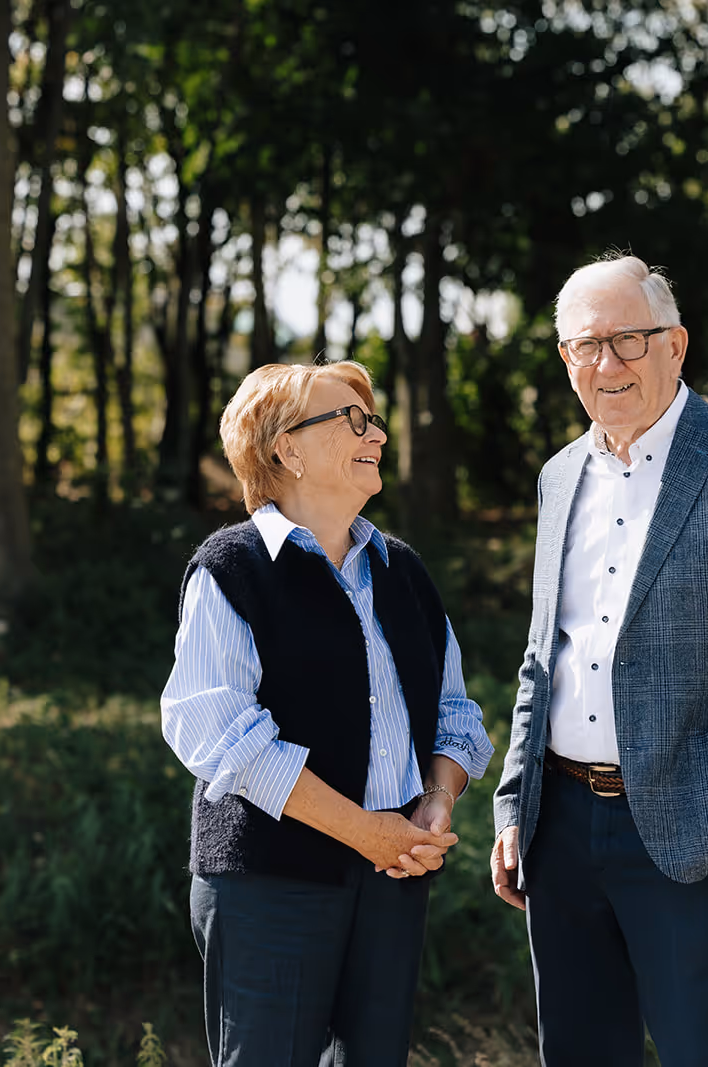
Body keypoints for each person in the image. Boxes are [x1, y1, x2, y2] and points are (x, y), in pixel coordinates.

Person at [490, 255, 708, 1065]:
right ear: (565, 362)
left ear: (675, 346)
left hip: (697, 828)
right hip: (561, 832)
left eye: (629, 340)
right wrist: (515, 805)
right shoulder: (557, 477)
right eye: (587, 346)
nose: (607, 364)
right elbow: (540, 659)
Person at [162, 359, 494, 1067]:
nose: (374, 432)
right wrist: (366, 832)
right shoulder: (232, 568)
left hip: (393, 881)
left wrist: (436, 799)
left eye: (371, 418)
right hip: (268, 883)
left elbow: (456, 711)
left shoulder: (402, 569)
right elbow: (219, 732)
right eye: (350, 418)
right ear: (286, 449)